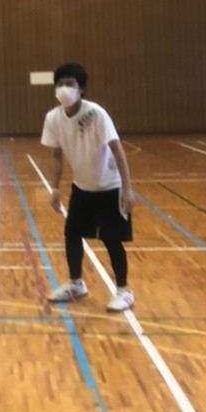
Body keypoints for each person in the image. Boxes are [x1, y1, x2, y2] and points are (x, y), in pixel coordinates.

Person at [41, 62, 136, 311]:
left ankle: (124, 291)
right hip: (82, 187)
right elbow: (56, 155)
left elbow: (117, 149)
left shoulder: (96, 114)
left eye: (70, 83)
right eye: (60, 84)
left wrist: (127, 189)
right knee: (72, 233)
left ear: (81, 88)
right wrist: (54, 188)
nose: (64, 88)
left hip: (109, 186)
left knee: (111, 239)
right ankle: (76, 284)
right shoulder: (53, 118)